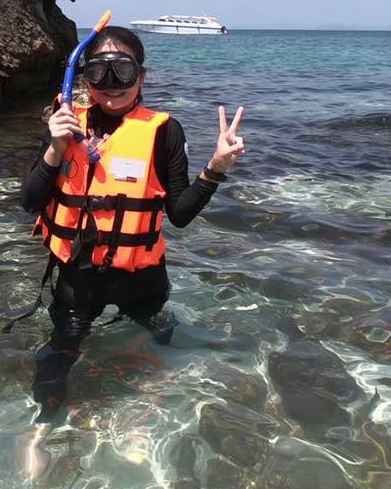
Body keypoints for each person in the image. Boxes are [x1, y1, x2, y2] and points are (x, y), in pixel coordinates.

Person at [19, 26, 246, 423]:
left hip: (142, 282)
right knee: (58, 357)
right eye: (98, 72)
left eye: (122, 71)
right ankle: (43, 429)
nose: (111, 85)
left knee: (152, 352)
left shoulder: (165, 133)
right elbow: (29, 202)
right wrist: (56, 147)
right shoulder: (65, 124)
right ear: (84, 78)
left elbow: (179, 214)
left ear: (141, 76)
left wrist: (215, 169)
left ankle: (143, 422)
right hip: (77, 282)